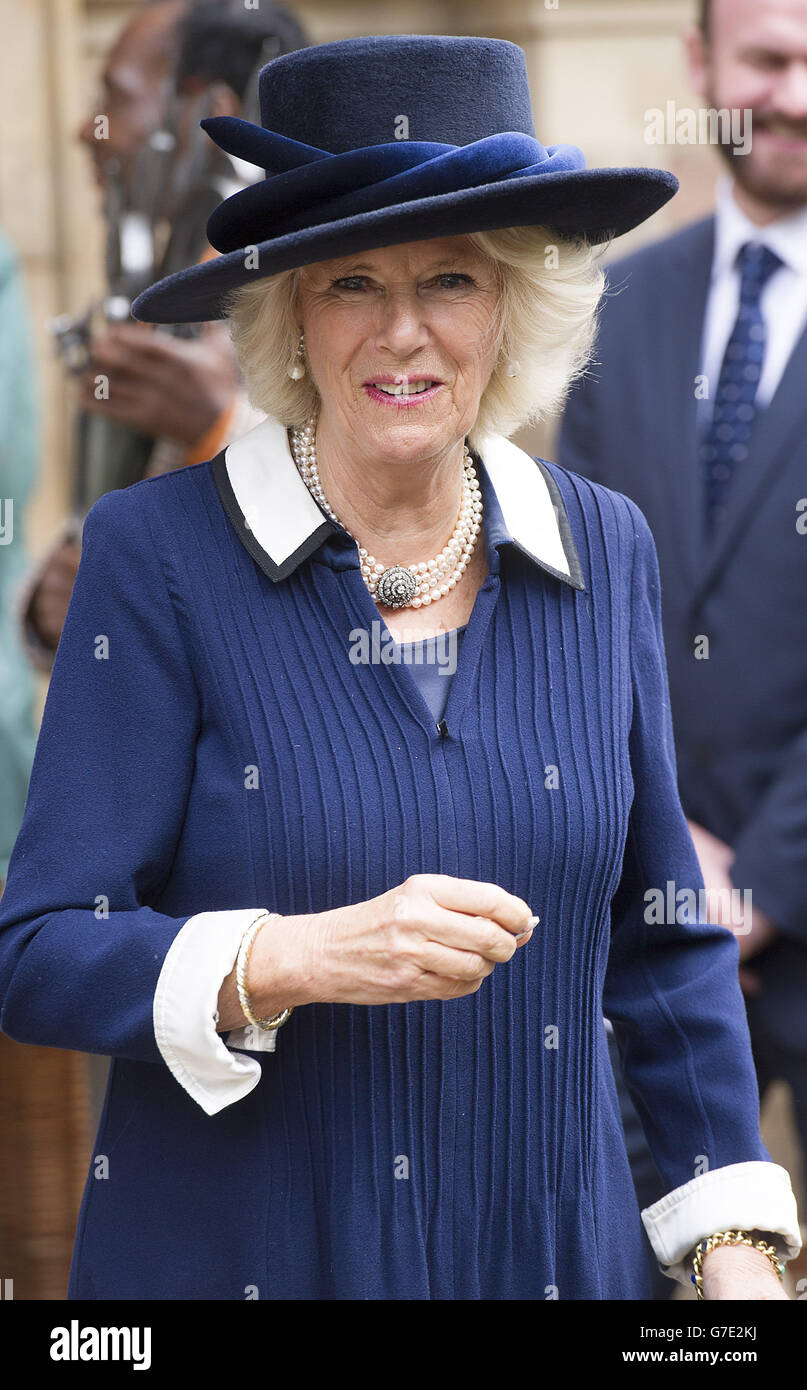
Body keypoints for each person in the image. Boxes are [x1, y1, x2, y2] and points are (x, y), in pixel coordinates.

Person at [0, 34, 800, 1301]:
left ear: (515, 306)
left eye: (453, 280)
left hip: (551, 1256)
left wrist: (733, 1246)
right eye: (352, 283)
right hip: (259, 1256)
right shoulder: (156, 557)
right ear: (288, 315)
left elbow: (661, 946)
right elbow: (41, 948)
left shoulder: (602, 546)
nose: (406, 333)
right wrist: (295, 958)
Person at [558, 0, 807, 1284]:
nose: (798, 93)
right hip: (647, 941)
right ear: (700, 68)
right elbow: (579, 607)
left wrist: (755, 876)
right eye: (769, 58)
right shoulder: (616, 308)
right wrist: (670, 856)